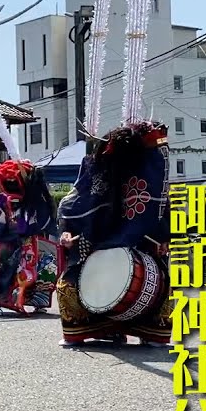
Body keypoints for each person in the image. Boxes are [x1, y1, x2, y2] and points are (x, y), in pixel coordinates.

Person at [55, 122, 173, 346]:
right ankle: (98, 329)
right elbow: (73, 207)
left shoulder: (148, 172)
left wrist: (163, 239)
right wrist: (67, 232)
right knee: (68, 284)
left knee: (162, 279)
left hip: (141, 243)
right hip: (94, 241)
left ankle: (150, 331)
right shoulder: (96, 169)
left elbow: (158, 210)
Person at [0, 159, 59, 315]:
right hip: (18, 241)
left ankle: (3, 304)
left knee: (10, 271)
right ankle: (7, 304)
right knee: (13, 271)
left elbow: (0, 221)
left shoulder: (29, 200)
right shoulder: (20, 199)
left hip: (19, 242)